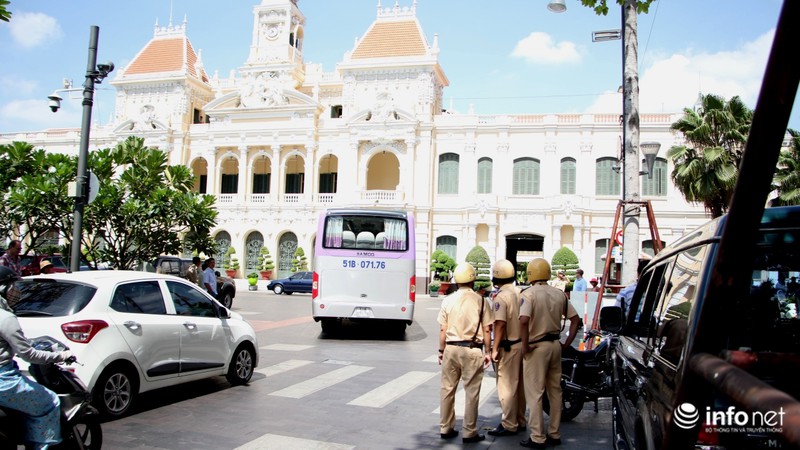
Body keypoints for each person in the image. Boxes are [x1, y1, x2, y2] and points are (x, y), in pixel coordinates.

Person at [0, 266, 73, 449]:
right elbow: (29, 354)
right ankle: (41, 445)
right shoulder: (6, 318)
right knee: (49, 401)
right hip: (4, 381)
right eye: (12, 286)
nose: (16, 291)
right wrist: (60, 355)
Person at [519, 258, 581, 449]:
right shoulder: (559, 294)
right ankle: (554, 433)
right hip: (555, 345)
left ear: (530, 274)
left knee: (535, 392)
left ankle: (537, 436)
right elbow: (575, 320)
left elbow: (523, 320)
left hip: (536, 347)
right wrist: (567, 343)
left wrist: (525, 345)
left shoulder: (528, 294)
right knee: (555, 391)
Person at [438, 263, 493, 444]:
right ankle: (469, 432)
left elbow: (442, 329)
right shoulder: (482, 301)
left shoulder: (447, 300)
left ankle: (446, 428)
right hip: (472, 349)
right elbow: (487, 329)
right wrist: (489, 351)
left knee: (447, 390)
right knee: (472, 392)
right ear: (473, 279)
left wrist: (441, 350)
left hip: (451, 349)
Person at [487, 260, 527, 437]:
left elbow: (500, 324)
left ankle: (509, 423)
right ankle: (520, 420)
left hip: (508, 346)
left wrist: (494, 349)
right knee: (520, 387)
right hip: (520, 344)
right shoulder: (520, 293)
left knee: (506, 387)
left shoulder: (501, 297)